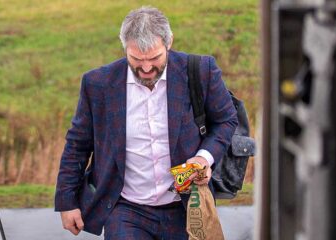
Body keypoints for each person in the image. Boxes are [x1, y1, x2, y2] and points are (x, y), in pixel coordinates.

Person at [55, 6, 238, 240]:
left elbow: (226, 120)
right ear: (124, 47)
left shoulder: (201, 70)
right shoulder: (98, 84)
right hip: (125, 209)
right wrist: (67, 202)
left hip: (185, 206)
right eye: (136, 59)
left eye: (154, 58)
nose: (147, 68)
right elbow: (77, 145)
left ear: (169, 42)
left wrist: (205, 157)